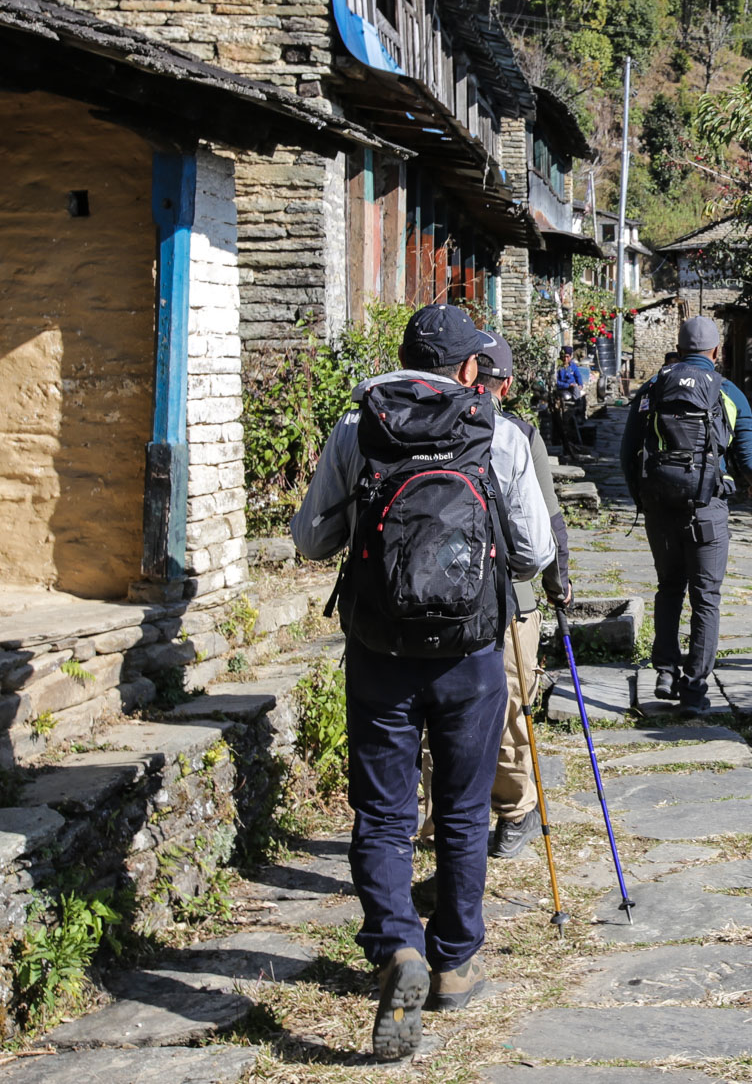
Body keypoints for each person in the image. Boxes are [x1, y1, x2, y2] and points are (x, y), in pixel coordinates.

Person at [291, 305, 555, 1062]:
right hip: (470, 656)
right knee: (466, 811)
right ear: (471, 369)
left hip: (378, 651)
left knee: (381, 813)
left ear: (402, 356)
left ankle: (395, 947)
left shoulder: (356, 428)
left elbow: (312, 540)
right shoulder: (497, 434)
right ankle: (454, 964)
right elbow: (534, 550)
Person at [417, 341, 571, 861]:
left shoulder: (426, 427)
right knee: (488, 711)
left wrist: (552, 581)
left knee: (471, 713)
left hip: (466, 600)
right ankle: (480, 818)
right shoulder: (513, 433)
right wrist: (557, 583)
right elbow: (549, 525)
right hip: (493, 599)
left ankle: (489, 815)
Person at [620, 315, 752, 710]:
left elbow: (627, 450)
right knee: (706, 597)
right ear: (716, 352)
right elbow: (749, 460)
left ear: (679, 346)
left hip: (660, 506)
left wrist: (643, 497)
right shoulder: (728, 393)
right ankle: (694, 689)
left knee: (669, 588)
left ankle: (666, 673)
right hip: (707, 508)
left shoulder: (653, 388)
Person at [554, 345, 592, 457]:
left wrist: (580, 385)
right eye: (563, 357)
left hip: (573, 389)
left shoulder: (573, 366)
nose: (565, 359)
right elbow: (557, 382)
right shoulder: (559, 368)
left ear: (570, 357)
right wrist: (568, 384)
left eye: (567, 357)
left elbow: (578, 376)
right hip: (564, 390)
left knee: (580, 393)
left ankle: (580, 411)